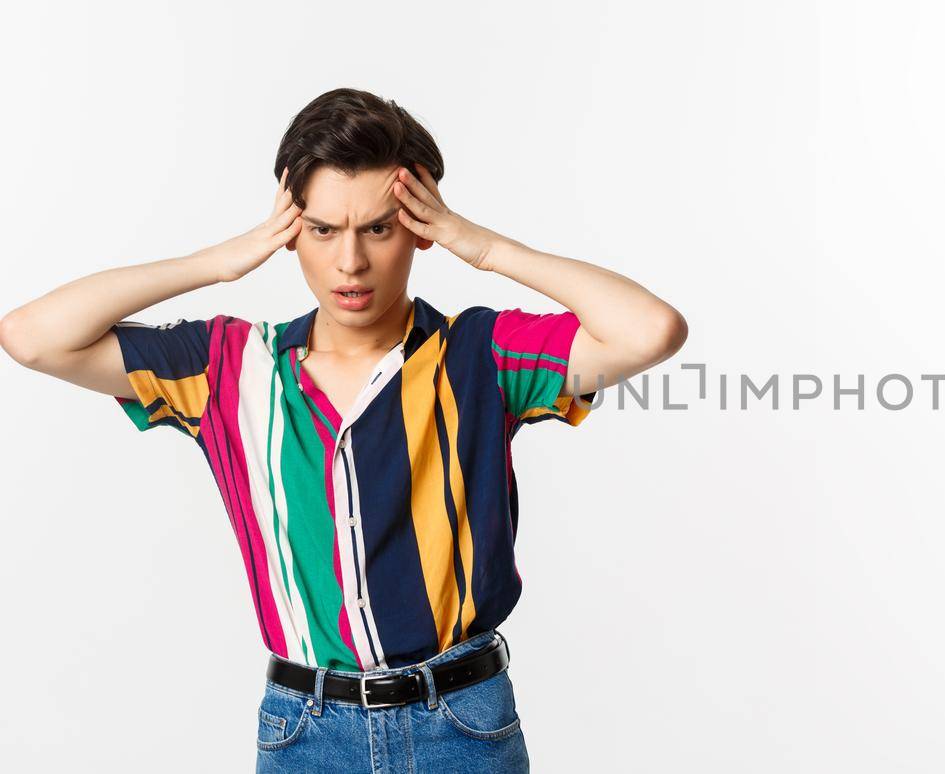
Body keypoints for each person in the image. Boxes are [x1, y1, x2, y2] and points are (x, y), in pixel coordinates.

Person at [0, 87, 688, 772]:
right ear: (292, 228)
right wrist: (218, 263)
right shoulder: (228, 367)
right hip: (306, 733)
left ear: (420, 228)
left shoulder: (480, 355)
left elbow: (650, 330)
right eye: (323, 230)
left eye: (378, 229)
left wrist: (481, 246)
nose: (349, 263)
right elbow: (33, 338)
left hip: (463, 725)